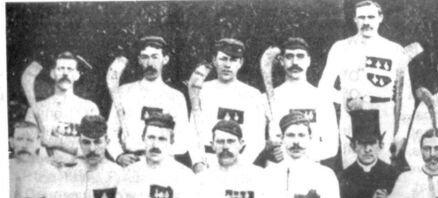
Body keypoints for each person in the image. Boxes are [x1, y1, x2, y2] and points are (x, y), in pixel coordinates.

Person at [319, 0, 414, 169]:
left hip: (384, 116)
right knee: (353, 172)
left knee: (384, 172)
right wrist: (345, 100)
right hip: (352, 116)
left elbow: (407, 98)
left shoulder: (394, 50)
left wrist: (401, 134)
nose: (366, 22)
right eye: (361, 17)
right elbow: (324, 87)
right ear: (354, 19)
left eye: (371, 17)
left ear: (380, 18)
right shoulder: (340, 47)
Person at [108, 36, 191, 167]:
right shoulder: (124, 92)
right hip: (131, 163)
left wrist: (160, 155)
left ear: (165, 59)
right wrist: (118, 155)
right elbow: (110, 131)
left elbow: (183, 139)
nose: (150, 63)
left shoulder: (176, 97)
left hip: (164, 164)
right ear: (139, 60)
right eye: (145, 57)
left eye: (155, 57)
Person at [190, 38, 267, 172]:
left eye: (233, 60)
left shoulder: (253, 95)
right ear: (214, 61)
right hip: (207, 163)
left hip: (240, 164)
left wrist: (241, 166)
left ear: (240, 62)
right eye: (223, 59)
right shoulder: (202, 90)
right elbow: (192, 131)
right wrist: (197, 163)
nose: (227, 65)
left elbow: (257, 140)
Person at [268, 37, 338, 163]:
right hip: (277, 170)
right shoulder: (268, 98)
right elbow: (256, 141)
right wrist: (269, 147)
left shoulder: (321, 98)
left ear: (308, 61)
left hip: (310, 171)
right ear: (282, 61)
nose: (295, 62)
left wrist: (296, 154)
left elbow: (332, 146)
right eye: (289, 56)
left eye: (300, 56)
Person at [26, 51, 100, 167]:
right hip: (45, 173)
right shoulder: (36, 109)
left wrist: (57, 142)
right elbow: (28, 147)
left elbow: (94, 150)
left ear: (77, 75)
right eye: (60, 68)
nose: (65, 73)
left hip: (80, 173)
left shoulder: (89, 108)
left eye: (70, 69)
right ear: (52, 73)